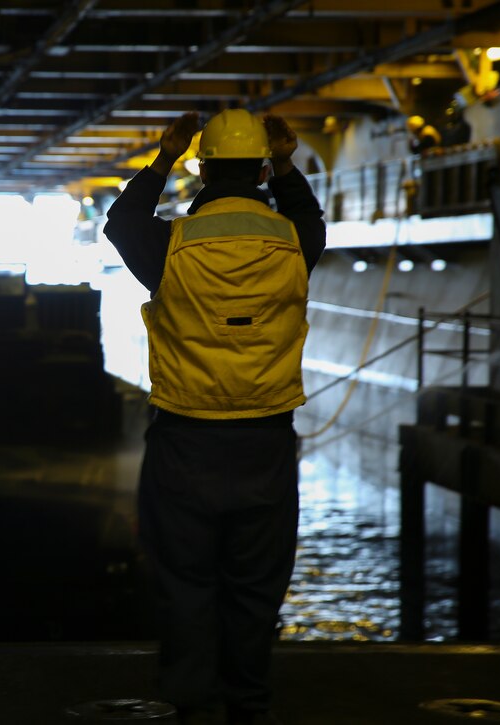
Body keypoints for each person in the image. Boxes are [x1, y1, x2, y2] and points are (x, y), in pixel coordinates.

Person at [103, 109, 325, 725]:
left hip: (185, 439)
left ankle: (191, 707)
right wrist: (285, 164)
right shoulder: (295, 243)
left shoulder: (169, 246)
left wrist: (162, 156)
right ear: (259, 167)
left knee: (185, 584)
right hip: (265, 441)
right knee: (255, 588)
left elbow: (120, 223)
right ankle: (249, 705)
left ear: (200, 168)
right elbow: (310, 216)